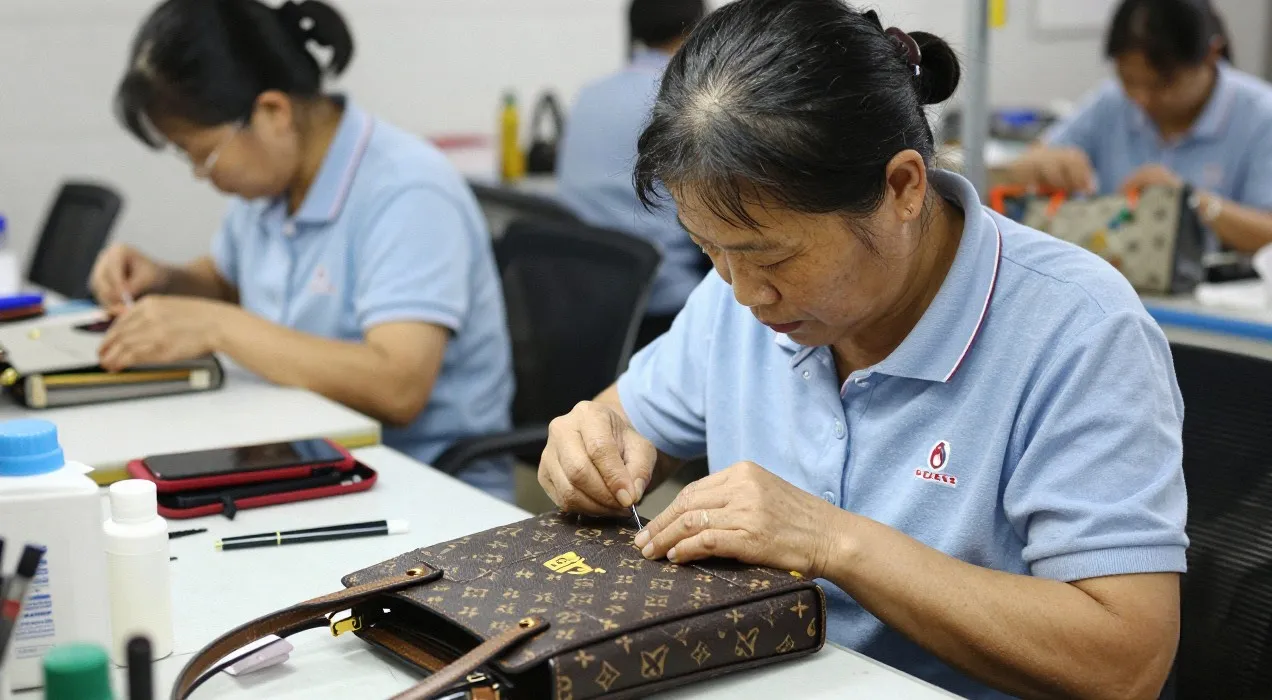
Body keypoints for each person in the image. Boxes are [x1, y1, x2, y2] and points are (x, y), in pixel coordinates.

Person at [536, 1, 1188, 698]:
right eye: (708, 251)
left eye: (774, 258)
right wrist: (592, 451)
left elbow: (1128, 662)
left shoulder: (1079, 330)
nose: (745, 293)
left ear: (902, 188)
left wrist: (830, 541)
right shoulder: (738, 291)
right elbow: (623, 425)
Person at [92, 0, 516, 501]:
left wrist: (213, 325)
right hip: (308, 457)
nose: (201, 175)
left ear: (273, 112)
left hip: (422, 484)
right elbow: (228, 279)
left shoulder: (408, 191)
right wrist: (162, 279)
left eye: (203, 154)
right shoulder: (272, 185)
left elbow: (397, 386)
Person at [1012, 0, 1272, 253]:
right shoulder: (1112, 102)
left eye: (1162, 84)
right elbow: (1028, 163)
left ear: (1211, 54)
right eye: (1128, 81)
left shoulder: (1261, 115)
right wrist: (1046, 165)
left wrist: (1188, 201)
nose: (1141, 98)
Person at [556, 0, 711, 349]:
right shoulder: (688, 98)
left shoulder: (590, 94)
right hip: (665, 302)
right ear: (698, 28)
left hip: (591, 293)